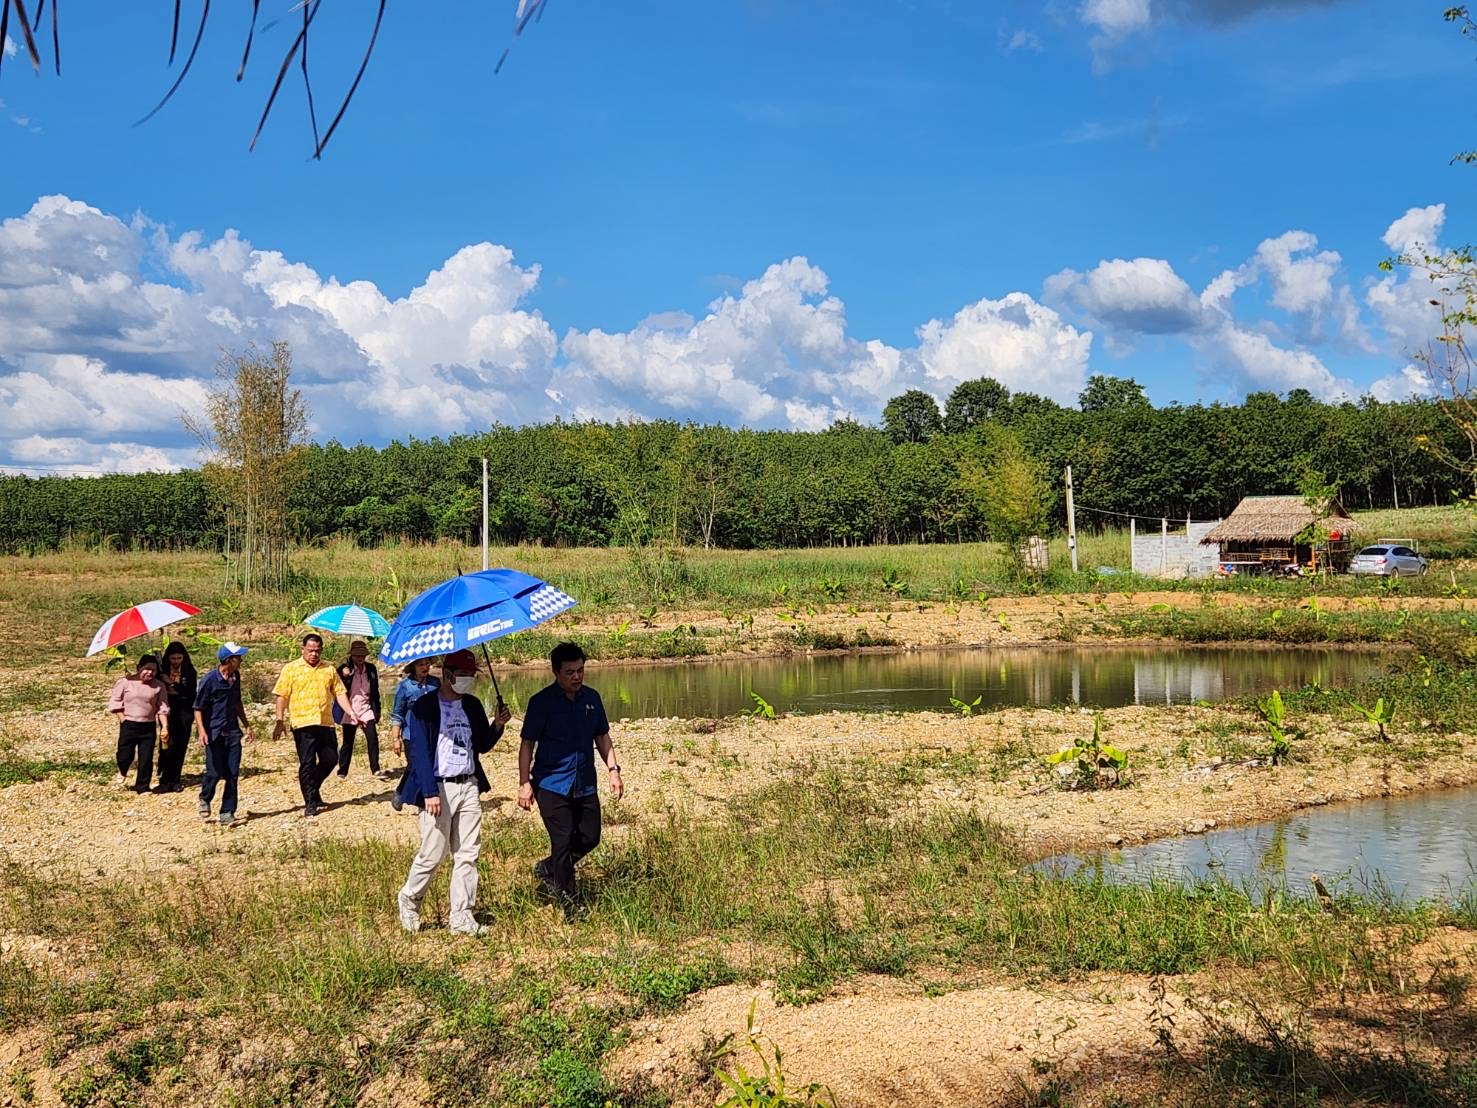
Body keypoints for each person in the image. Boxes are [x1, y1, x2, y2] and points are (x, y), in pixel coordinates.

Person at [396, 650, 511, 935]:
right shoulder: (423, 707)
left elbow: (481, 744)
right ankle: (410, 900)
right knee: (433, 852)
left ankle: (461, 915)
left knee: (468, 852)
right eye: (463, 676)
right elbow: (420, 753)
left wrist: (497, 724)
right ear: (447, 675)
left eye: (471, 677)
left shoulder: (471, 705)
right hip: (438, 786)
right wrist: (429, 791)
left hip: (468, 783)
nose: (468, 681)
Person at [519, 642, 624, 918]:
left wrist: (613, 770)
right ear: (556, 672)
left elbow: (602, 736)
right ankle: (570, 904)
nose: (576, 677)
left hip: (584, 782)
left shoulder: (592, 699)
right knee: (563, 840)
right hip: (551, 784)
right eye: (570, 672)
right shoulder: (540, 703)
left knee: (590, 836)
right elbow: (527, 744)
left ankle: (550, 867)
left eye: (580, 671)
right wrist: (524, 782)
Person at [272, 633, 358, 818]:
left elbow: (340, 692)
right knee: (307, 763)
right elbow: (282, 696)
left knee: (330, 758)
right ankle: (310, 802)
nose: (314, 654)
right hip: (302, 723)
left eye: (317, 651)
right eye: (310, 651)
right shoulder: (291, 669)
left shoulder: (329, 669)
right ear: (303, 649)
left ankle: (313, 786)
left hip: (325, 722)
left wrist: (350, 712)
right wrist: (280, 720)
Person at [195, 642, 254, 827]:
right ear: (229, 660)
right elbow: (198, 708)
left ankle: (227, 812)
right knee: (214, 771)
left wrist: (247, 725)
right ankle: (205, 797)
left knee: (232, 773)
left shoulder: (235, 677)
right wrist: (201, 731)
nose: (241, 660)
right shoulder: (209, 680)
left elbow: (237, 703)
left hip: (233, 731)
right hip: (214, 732)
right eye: (238, 658)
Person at [107, 654, 169, 793]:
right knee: (124, 754)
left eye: (153, 670)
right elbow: (115, 702)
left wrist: (164, 726)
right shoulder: (125, 682)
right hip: (129, 724)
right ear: (139, 668)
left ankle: (142, 786)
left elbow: (162, 708)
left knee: (146, 757)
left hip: (148, 726)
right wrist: (123, 719)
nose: (150, 672)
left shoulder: (158, 686)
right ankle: (122, 770)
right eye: (146, 669)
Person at [387, 657, 441, 812]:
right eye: (421, 664)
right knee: (414, 764)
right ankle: (401, 791)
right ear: (413, 667)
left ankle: (425, 796)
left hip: (433, 732)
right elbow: (398, 714)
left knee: (431, 764)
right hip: (411, 734)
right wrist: (396, 739)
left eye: (427, 664)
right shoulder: (405, 687)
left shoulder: (435, 683)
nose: (425, 667)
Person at [334, 640, 386, 779]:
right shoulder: (344, 669)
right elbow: (337, 689)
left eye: (362, 655)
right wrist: (344, 676)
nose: (360, 658)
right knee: (348, 741)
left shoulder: (371, 668)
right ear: (351, 655)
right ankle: (342, 771)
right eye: (357, 655)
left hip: (366, 707)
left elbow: (375, 690)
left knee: (372, 737)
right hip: (349, 708)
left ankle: (375, 769)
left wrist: (377, 710)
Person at [155, 640, 197, 793]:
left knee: (181, 745)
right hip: (168, 712)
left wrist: (172, 685)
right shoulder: (162, 670)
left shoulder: (189, 671)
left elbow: (190, 692)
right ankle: (164, 778)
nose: (176, 662)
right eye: (173, 659)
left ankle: (175, 779)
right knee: (167, 744)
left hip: (185, 712)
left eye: (179, 658)